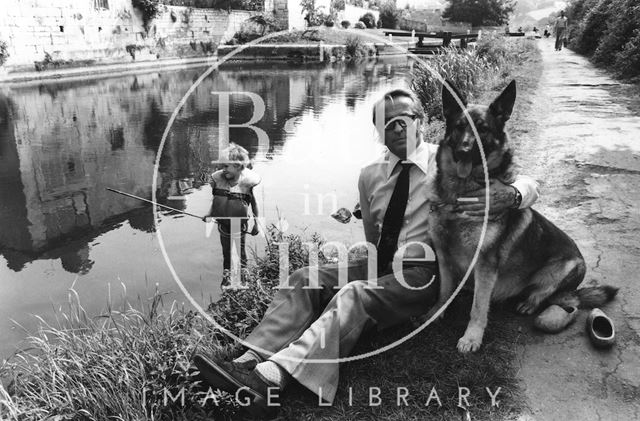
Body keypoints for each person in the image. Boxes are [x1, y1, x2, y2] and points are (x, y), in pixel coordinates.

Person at [193, 89, 539, 416]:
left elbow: (528, 183)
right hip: (383, 260)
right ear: (379, 133)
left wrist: (515, 194)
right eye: (386, 124)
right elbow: (374, 239)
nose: (396, 128)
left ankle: (274, 376)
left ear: (420, 120)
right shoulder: (370, 176)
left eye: (403, 118)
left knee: (355, 294)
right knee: (304, 277)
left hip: (425, 271)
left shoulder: (445, 159)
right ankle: (248, 360)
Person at [204, 143, 260, 284]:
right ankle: (227, 278)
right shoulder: (220, 181)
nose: (223, 170)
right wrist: (209, 214)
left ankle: (243, 276)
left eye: (226, 167)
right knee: (226, 252)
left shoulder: (246, 184)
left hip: (238, 225)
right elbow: (216, 200)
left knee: (239, 251)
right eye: (222, 166)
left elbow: (254, 203)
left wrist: (256, 224)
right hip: (223, 224)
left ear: (238, 166)